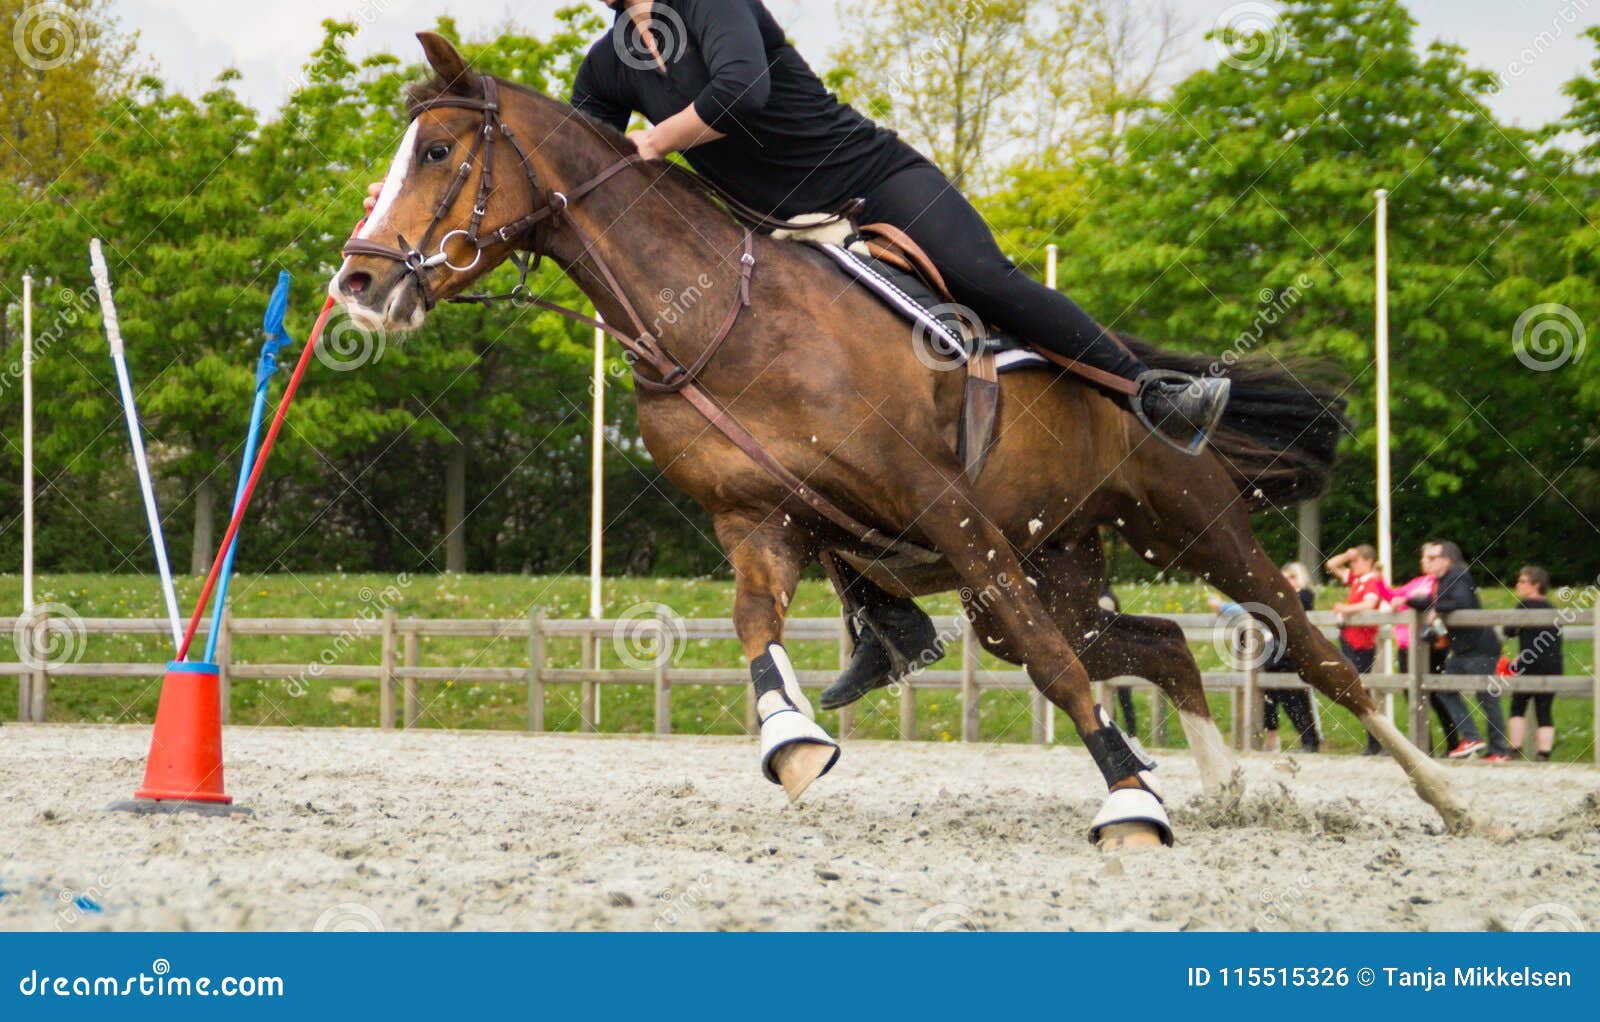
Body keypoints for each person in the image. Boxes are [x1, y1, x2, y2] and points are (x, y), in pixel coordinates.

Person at [373, 0, 1233, 710]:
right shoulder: (607, 66)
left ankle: (1151, 391)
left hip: (869, 188)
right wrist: (412, 202)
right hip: (786, 241)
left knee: (985, 277)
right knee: (790, 427)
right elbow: (574, 179)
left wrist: (655, 141)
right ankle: (887, 619)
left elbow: (740, 90)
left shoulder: (711, 6)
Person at [1405, 541, 1509, 762]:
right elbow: (1431, 601)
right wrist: (1406, 600)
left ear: (1447, 559)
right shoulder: (1443, 581)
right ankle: (1472, 737)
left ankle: (1499, 750)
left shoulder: (1458, 576)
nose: (1427, 562)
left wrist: (1435, 608)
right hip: (1462, 649)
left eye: (1433, 558)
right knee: (1444, 689)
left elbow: (1459, 601)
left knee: (1486, 696)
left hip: (1479, 648)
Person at [1385, 564, 1459, 754]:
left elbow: (1427, 601)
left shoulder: (1440, 584)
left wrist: (1405, 599)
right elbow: (1393, 595)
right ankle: (1425, 746)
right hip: (1406, 645)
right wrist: (1380, 584)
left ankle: (1454, 742)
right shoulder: (1417, 582)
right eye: (1426, 558)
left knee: (1434, 694)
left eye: (1432, 558)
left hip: (1427, 646)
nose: (1426, 562)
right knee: (1411, 693)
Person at [1325, 545, 1388, 755]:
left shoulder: (1371, 582)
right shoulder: (1357, 580)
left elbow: (1369, 604)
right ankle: (1374, 740)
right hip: (1351, 639)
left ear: (1368, 561)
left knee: (1363, 690)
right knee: (1358, 689)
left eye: (1357, 560)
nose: (1353, 564)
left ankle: (1376, 740)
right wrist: (1346, 554)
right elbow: (1331, 565)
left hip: (1362, 642)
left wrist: (1345, 609)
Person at [1505, 565, 1562, 760]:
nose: (1518, 585)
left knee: (1518, 706)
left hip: (1529, 663)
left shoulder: (1523, 606)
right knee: (1544, 710)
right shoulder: (1552, 608)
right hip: (1553, 665)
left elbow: (1509, 631)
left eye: (1522, 581)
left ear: (1536, 585)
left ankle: (1515, 749)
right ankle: (1543, 753)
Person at [1264, 563, 1320, 752]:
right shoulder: (1280, 598)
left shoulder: (1304, 595)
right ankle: (1306, 740)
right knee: (1281, 698)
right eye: (1284, 577)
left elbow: (1290, 613)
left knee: (1297, 698)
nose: (1287, 581)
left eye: (1292, 577)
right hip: (1278, 653)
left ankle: (1311, 740)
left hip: (1294, 652)